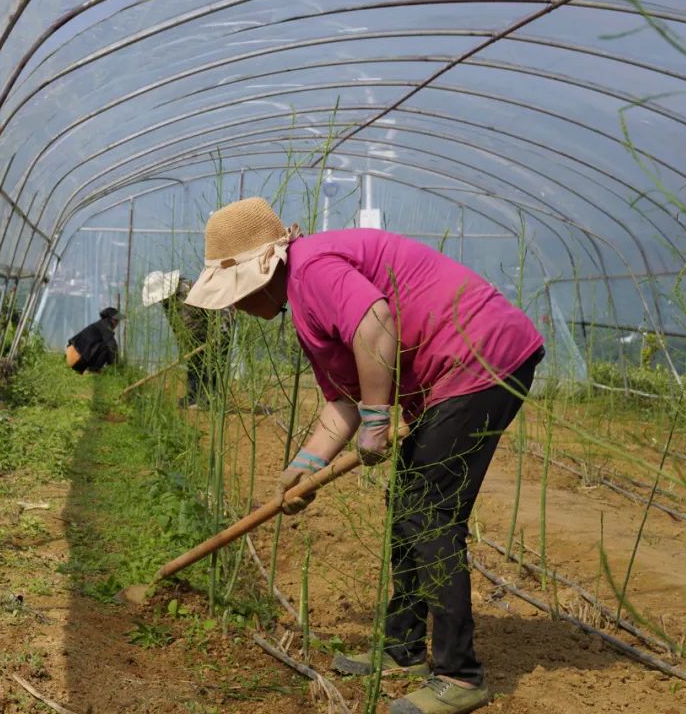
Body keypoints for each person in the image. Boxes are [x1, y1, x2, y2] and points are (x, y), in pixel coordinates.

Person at [185, 197, 544, 714]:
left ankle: (460, 676)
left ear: (262, 271)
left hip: (479, 358)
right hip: (454, 372)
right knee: (408, 509)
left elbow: (374, 321)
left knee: (430, 516)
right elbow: (341, 401)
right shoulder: (306, 302)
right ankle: (402, 650)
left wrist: (379, 419)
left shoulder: (313, 268)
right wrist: (303, 467)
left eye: (235, 293)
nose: (236, 306)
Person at [142, 270, 231, 408]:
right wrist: (184, 346)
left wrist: (220, 332)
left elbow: (223, 307)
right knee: (194, 366)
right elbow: (178, 326)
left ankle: (208, 400)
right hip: (195, 339)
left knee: (212, 367)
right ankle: (193, 397)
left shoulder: (192, 289)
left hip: (215, 336)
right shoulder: (168, 302)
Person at [66, 307, 123, 374]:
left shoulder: (100, 324)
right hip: (77, 360)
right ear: (110, 319)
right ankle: (93, 370)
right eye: (116, 320)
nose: (118, 323)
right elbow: (112, 346)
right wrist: (116, 365)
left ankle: (91, 368)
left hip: (71, 358)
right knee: (107, 346)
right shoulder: (106, 326)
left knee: (104, 345)